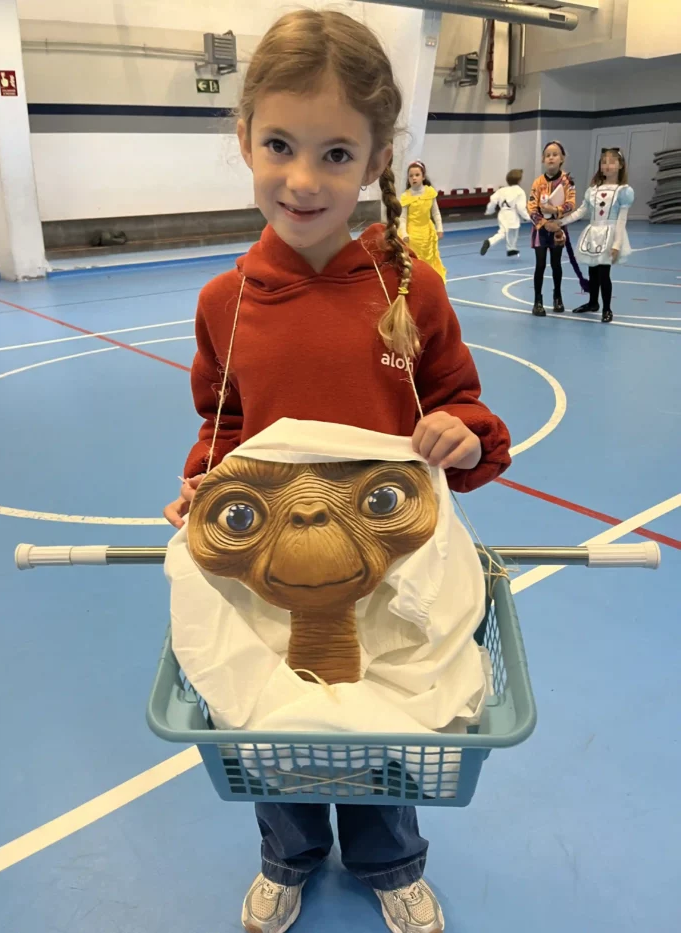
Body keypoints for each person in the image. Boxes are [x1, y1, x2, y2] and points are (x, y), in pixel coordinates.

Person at [163, 10, 511, 933]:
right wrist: (203, 487)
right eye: (280, 145)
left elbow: (465, 405)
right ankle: (289, 855)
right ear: (245, 138)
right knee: (273, 730)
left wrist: (461, 434)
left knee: (386, 727)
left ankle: (389, 859)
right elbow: (224, 429)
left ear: (378, 159)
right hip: (273, 571)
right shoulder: (227, 302)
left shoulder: (411, 291)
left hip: (392, 571)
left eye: (336, 154)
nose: (304, 179)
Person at [556, 147, 634, 324]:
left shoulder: (623, 191)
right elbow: (581, 211)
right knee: (592, 270)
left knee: (604, 273)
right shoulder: (593, 190)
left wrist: (617, 244)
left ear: (620, 165)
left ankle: (607, 308)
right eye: (604, 162)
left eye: (612, 162)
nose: (607, 165)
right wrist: (561, 222)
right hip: (593, 233)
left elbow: (621, 220)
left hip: (609, 235)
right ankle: (593, 303)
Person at [527, 141, 576, 316]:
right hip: (540, 230)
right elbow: (531, 207)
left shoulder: (567, 181)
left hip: (558, 229)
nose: (551, 158)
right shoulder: (537, 182)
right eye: (547, 155)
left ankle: (557, 297)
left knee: (556, 264)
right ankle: (537, 301)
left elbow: (571, 203)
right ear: (543, 159)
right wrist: (544, 223)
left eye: (555, 154)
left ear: (562, 158)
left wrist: (556, 211)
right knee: (540, 264)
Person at [399, 160, 447, 282]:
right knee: (415, 260)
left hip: (428, 233)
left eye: (417, 175)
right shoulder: (406, 196)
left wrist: (439, 228)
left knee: (430, 259)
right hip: (412, 235)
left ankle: (430, 282)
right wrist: (404, 233)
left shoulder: (430, 193)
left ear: (423, 177)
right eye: (411, 176)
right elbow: (402, 218)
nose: (414, 178)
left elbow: (436, 213)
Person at [480, 168, 530, 258]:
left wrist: (489, 211)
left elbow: (493, 200)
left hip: (502, 213)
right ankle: (490, 241)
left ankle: (511, 249)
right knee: (506, 232)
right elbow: (521, 208)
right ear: (519, 180)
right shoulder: (520, 191)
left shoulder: (501, 190)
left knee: (511, 231)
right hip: (512, 215)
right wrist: (527, 217)